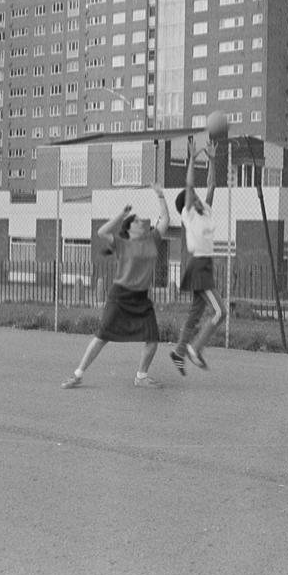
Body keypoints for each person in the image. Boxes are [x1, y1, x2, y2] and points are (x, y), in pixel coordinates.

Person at [61, 184, 169, 389]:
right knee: (102, 336)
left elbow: (165, 219)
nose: (141, 222)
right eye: (137, 221)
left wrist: (160, 195)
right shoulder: (122, 243)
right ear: (129, 228)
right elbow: (101, 232)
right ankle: (77, 375)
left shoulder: (153, 240)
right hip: (120, 297)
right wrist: (122, 214)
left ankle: (141, 376)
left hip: (141, 299)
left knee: (153, 338)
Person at [169, 137, 227, 375]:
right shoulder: (189, 214)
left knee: (195, 314)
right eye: (194, 198)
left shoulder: (205, 211)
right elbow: (190, 185)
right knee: (221, 312)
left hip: (204, 265)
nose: (200, 198)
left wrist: (212, 161)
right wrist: (192, 159)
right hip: (199, 266)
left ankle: (179, 352)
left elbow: (211, 185)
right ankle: (196, 348)